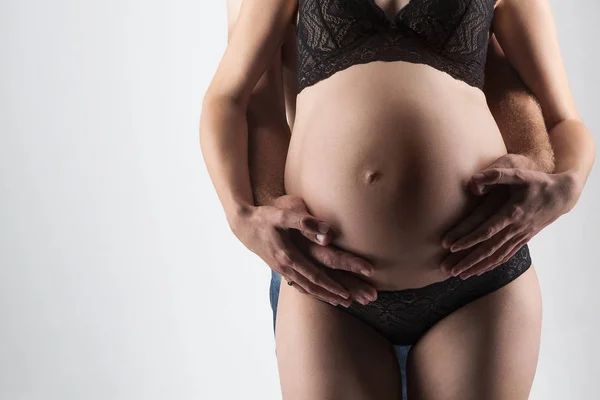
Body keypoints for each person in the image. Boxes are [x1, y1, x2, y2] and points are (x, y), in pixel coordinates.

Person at [200, 0, 595, 398]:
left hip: (479, 276)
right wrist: (241, 214)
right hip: (327, 281)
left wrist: (568, 185)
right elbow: (235, 98)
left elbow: (562, 118)